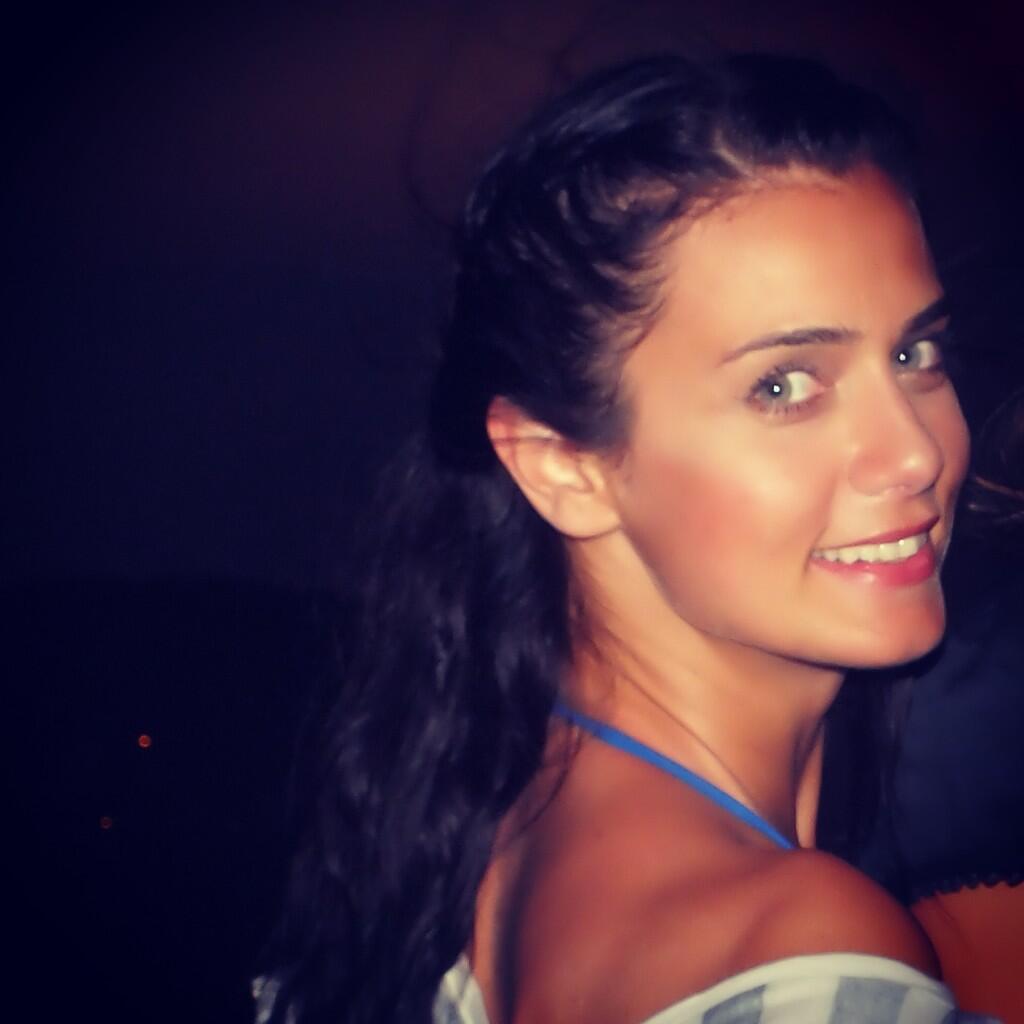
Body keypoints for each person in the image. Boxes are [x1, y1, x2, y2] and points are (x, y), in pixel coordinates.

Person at [256, 54, 999, 1023]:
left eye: (914, 352)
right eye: (783, 386)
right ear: (563, 466)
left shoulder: (475, 825)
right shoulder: (806, 949)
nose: (914, 452)